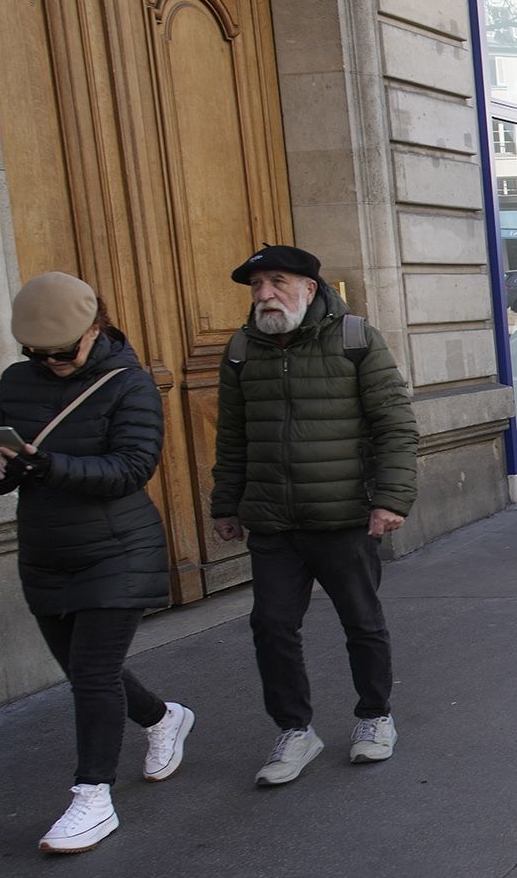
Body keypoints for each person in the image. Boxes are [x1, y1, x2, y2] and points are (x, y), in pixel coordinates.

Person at [0, 272, 192, 853]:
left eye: (65, 351)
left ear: (94, 328)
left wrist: (48, 467)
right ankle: (163, 719)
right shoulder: (17, 380)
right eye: (38, 353)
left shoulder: (131, 384)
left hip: (118, 549)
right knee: (83, 669)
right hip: (46, 551)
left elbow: (131, 468)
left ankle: (93, 797)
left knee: (93, 674)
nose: (53, 362)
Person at [212, 245, 419, 787]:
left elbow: (395, 424)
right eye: (256, 286)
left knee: (362, 621)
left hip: (343, 515)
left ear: (309, 286)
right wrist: (226, 505)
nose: (265, 295)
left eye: (277, 282)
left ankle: (375, 717)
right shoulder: (240, 350)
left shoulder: (354, 338)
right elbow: (233, 438)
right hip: (274, 522)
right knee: (272, 626)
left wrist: (391, 499)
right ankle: (295, 730)